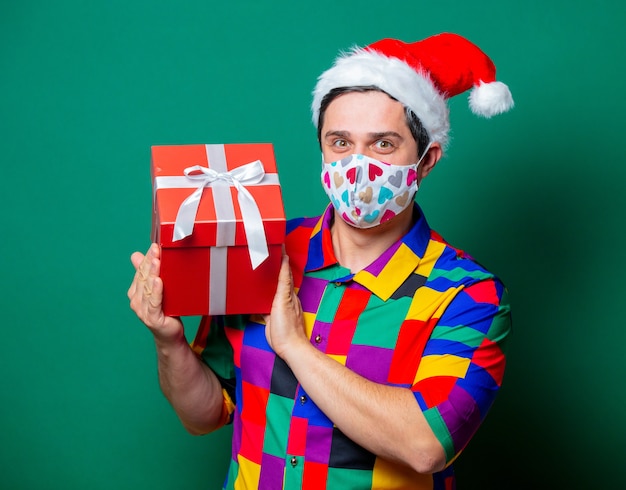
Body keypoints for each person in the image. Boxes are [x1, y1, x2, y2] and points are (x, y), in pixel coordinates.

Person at [128, 32, 513, 490]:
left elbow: (425, 443)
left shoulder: (469, 294)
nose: (357, 165)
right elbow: (206, 414)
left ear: (426, 161)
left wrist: (295, 347)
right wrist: (168, 340)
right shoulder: (260, 248)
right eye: (340, 143)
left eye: (383, 145)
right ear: (322, 149)